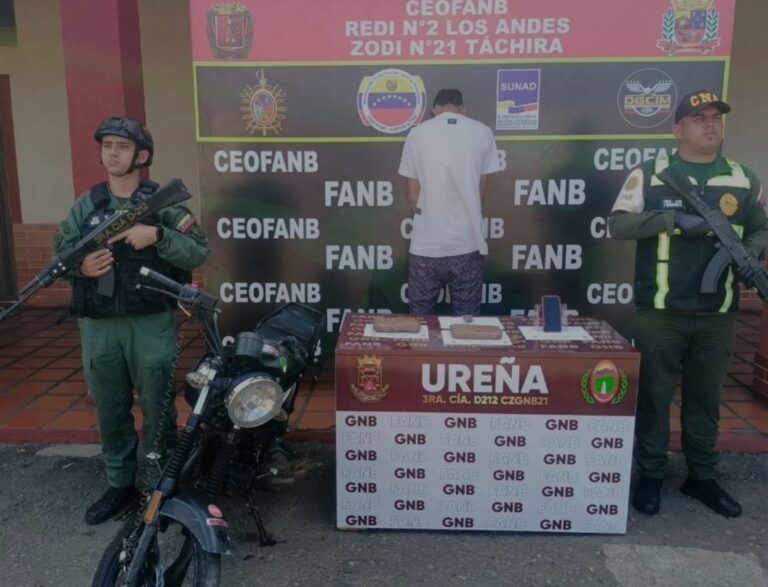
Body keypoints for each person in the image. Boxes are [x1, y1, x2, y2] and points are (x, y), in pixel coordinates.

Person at [609, 90, 768, 518]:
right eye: (698, 117)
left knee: (705, 399)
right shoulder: (651, 173)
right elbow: (618, 225)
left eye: (715, 117)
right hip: (661, 313)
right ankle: (653, 475)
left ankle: (702, 476)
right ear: (677, 129)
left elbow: (760, 227)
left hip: (718, 314)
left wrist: (748, 254)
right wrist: (673, 222)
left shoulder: (742, 177)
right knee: (655, 399)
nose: (709, 124)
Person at [53, 116, 209, 525]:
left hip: (150, 321)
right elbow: (59, 259)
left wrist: (158, 236)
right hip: (99, 325)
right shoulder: (86, 206)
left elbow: (198, 252)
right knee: (110, 406)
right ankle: (120, 485)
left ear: (142, 155)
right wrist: (82, 266)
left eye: (122, 147)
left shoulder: (164, 204)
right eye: (107, 146)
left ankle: (161, 486)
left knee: (158, 404)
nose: (112, 153)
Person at [398, 88, 502, 315]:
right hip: (467, 243)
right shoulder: (483, 133)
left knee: (421, 321)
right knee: (466, 320)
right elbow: (480, 193)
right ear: (462, 109)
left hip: (426, 244)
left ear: (435, 109)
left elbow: (412, 196)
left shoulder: (417, 134)